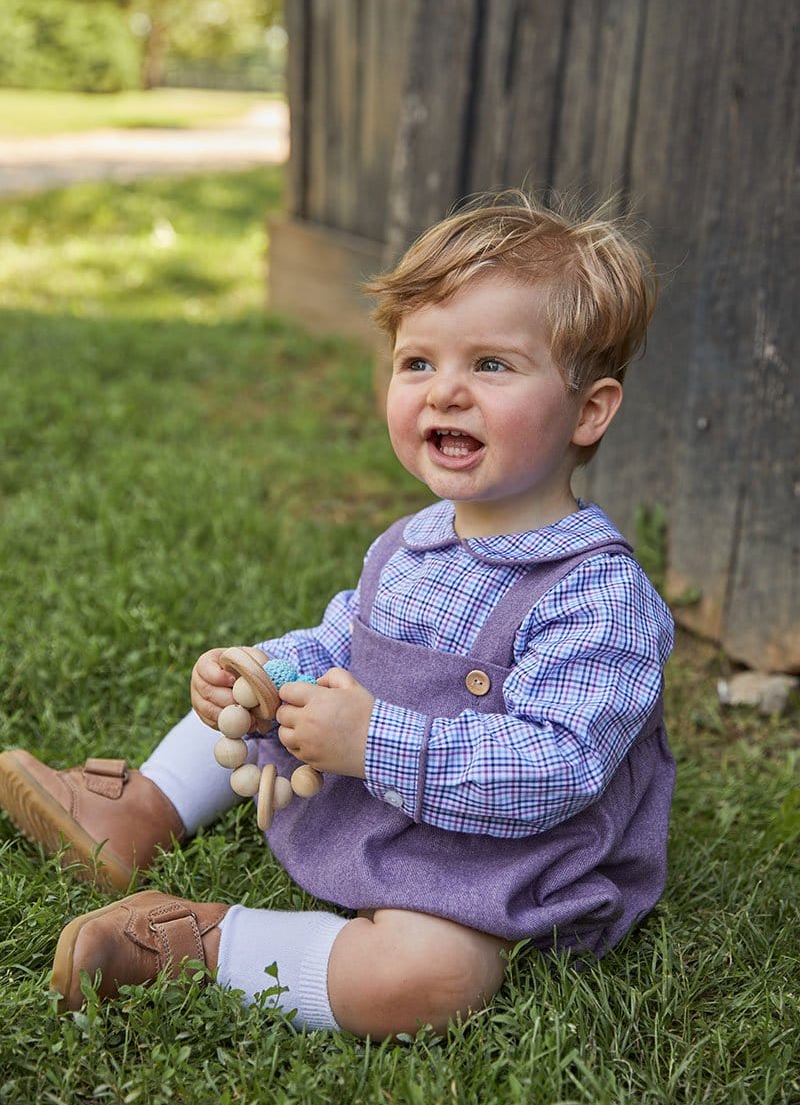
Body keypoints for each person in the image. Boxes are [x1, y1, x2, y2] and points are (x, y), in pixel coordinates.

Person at [0, 191, 675, 1039]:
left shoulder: (599, 597)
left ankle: (195, 943)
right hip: (381, 792)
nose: (447, 393)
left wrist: (373, 741)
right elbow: (345, 641)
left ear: (588, 410)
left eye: (492, 366)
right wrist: (265, 674)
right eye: (418, 363)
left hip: (494, 860)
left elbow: (559, 767)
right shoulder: (415, 540)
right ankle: (139, 809)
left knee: (432, 979)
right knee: (264, 691)